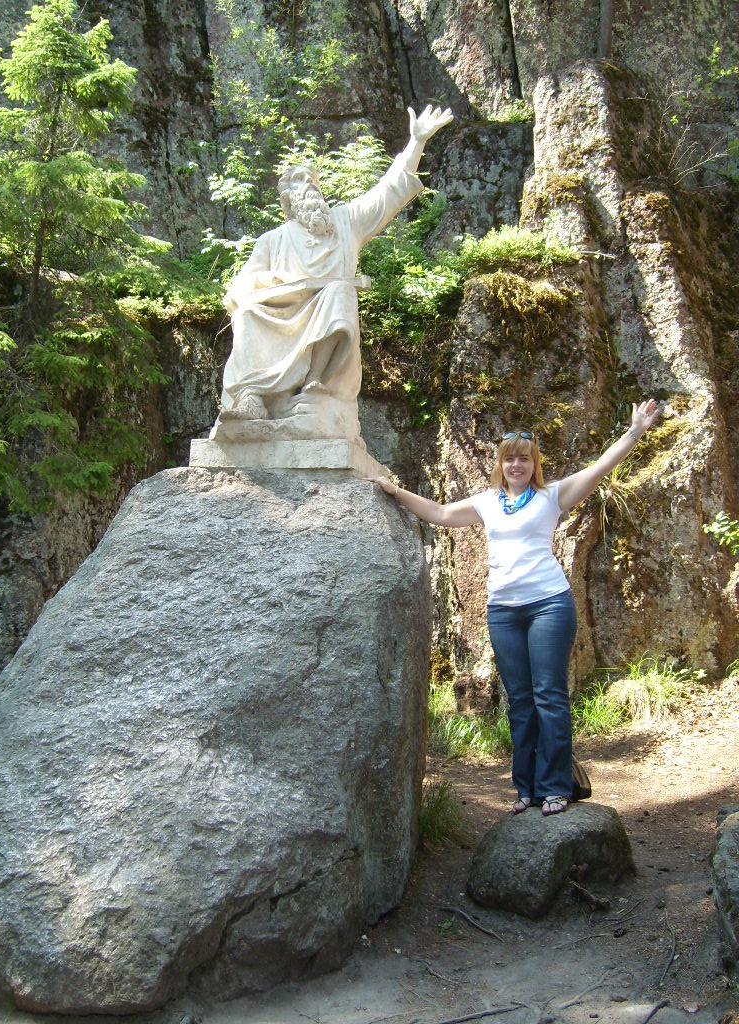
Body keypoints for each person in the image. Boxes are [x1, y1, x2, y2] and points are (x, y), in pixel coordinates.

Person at [374, 400, 661, 816]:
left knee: (549, 696)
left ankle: (555, 786)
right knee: (521, 702)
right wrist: (395, 492)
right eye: (510, 458)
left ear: (534, 464)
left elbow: (599, 468)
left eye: (524, 458)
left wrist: (635, 431)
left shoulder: (551, 496)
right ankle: (526, 788)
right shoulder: (487, 502)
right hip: (504, 613)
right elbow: (439, 513)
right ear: (500, 464)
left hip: (549, 606)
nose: (516, 465)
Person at [213, 104, 453, 438]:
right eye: (300, 180)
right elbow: (238, 290)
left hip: (327, 312)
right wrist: (271, 281)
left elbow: (387, 194)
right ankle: (253, 398)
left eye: (312, 180)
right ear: (287, 197)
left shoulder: (345, 222)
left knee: (341, 291)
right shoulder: (272, 240)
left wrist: (416, 143)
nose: (309, 185)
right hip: (281, 314)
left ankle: (315, 385)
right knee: (248, 313)